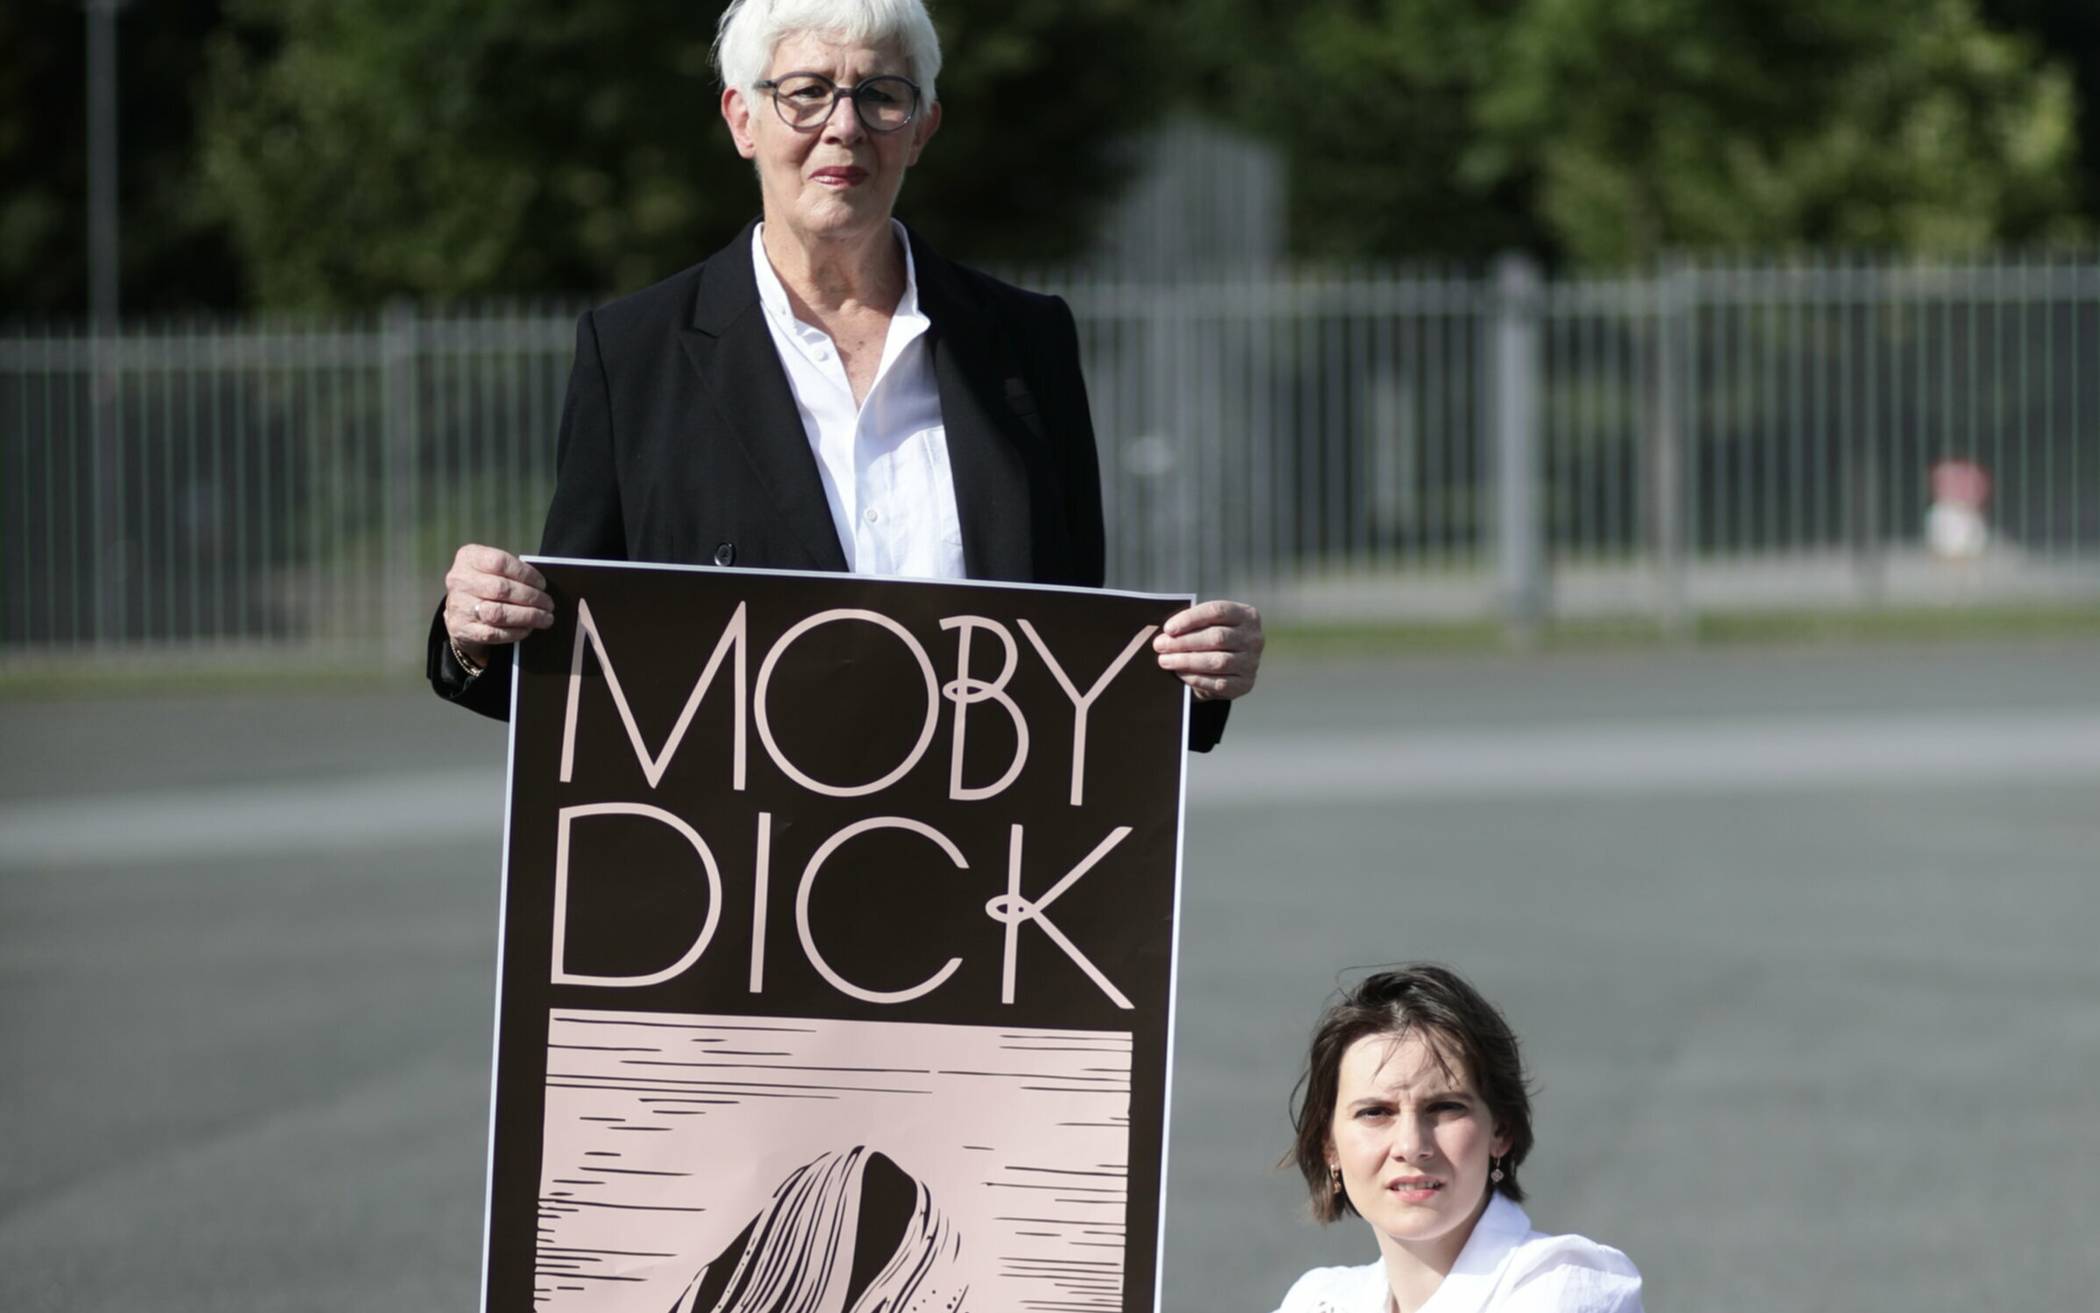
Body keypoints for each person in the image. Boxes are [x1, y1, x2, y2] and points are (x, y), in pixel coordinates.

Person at [426, 0, 1262, 748]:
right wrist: (478, 633)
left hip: (973, 850)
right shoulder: (636, 353)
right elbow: (572, 658)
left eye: (881, 95)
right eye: (806, 92)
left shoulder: (1025, 343)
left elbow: (1070, 656)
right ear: (743, 119)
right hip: (746, 855)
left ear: (922, 128)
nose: (845, 126)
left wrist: (1193, 678)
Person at [1273, 966, 1642, 1313]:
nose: (1411, 1146)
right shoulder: (1317, 1300)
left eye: (1445, 1107)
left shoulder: (1568, 1283)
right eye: (1375, 1112)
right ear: (1329, 1146)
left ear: (1501, 1130)